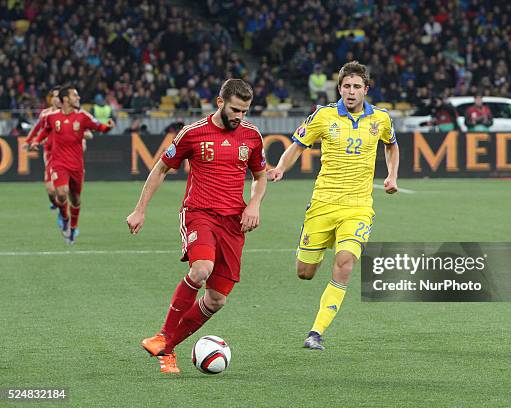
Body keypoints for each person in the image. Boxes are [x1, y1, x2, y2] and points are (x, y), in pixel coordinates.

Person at [126, 79, 267, 373]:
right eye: (234, 109)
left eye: (244, 111)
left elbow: (260, 176)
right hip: (199, 213)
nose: (239, 116)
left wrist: (254, 205)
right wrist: (140, 210)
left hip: (233, 223)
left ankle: (167, 348)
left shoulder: (252, 136)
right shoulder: (193, 133)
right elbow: (161, 168)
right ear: (219, 103)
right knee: (200, 269)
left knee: (216, 300)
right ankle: (164, 335)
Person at [267, 61, 399, 350]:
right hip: (323, 204)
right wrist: (279, 168)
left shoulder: (381, 118)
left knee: (345, 263)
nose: (351, 92)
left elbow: (391, 144)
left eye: (357, 87)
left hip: (358, 207)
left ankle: (316, 332)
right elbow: (298, 145)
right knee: (305, 272)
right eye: (347, 86)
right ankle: (318, 244)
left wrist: (391, 175)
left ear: (366, 89)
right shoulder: (323, 116)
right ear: (340, 88)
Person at [31, 86, 115, 243]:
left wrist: (108, 126)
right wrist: (36, 140)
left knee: (75, 199)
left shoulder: (83, 116)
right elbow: (45, 130)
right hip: (58, 163)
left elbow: (99, 127)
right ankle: (65, 219)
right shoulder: (52, 117)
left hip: (76, 165)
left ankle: (73, 227)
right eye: (75, 95)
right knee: (61, 193)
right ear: (65, 99)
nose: (78, 98)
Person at [24, 85, 61, 212]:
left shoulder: (69, 114)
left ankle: (64, 214)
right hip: (50, 154)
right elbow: (37, 128)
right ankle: (56, 204)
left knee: (63, 189)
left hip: (64, 153)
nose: (56, 99)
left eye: (58, 96)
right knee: (51, 190)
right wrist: (29, 141)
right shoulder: (46, 114)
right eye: (54, 96)